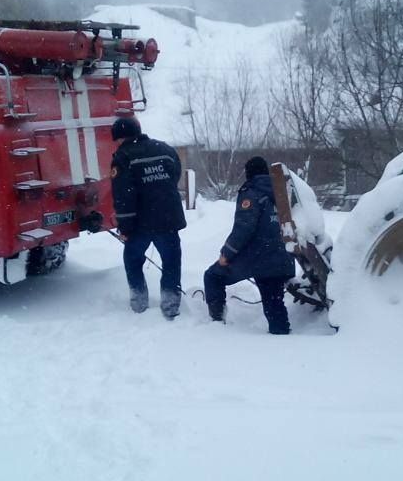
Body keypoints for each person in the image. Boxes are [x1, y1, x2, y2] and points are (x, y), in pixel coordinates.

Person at [204, 156, 294, 335]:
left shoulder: (251, 192)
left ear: (248, 174)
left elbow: (244, 229)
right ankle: (282, 337)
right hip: (283, 257)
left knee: (213, 276)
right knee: (273, 300)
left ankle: (216, 323)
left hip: (259, 257)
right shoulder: (282, 191)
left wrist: (226, 254)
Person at [110, 115, 186, 319]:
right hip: (168, 218)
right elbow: (175, 175)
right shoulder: (165, 149)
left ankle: (139, 301)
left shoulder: (122, 157)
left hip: (140, 223)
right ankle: (170, 303)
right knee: (171, 259)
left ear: (119, 138)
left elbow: (123, 196)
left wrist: (125, 228)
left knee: (133, 259)